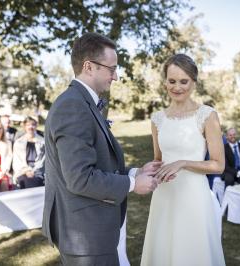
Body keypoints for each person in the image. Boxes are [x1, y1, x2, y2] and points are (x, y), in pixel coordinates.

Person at [42, 32, 160, 265]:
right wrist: (134, 185)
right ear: (89, 67)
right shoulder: (73, 106)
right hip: (84, 234)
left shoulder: (81, 101)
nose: (115, 76)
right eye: (111, 68)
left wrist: (135, 172)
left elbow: (96, 163)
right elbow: (80, 179)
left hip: (89, 229)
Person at [141, 54, 226, 266]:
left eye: (183, 81)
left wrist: (183, 163)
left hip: (193, 197)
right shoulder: (157, 119)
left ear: (194, 83)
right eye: (172, 81)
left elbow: (218, 165)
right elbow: (159, 160)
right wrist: (146, 172)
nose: (177, 87)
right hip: (164, 196)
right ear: (165, 83)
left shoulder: (207, 115)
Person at [12, 117, 45, 189]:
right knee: (26, 181)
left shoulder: (42, 141)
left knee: (37, 180)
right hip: (23, 171)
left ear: (36, 126)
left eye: (33, 124)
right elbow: (17, 161)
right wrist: (26, 171)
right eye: (28, 125)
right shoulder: (19, 142)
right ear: (24, 127)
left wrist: (34, 171)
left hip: (38, 170)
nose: (31, 127)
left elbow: (43, 160)